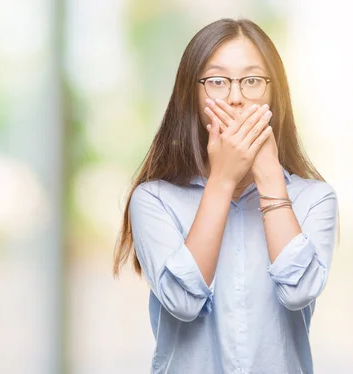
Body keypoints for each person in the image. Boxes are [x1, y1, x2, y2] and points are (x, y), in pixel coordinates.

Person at [112, 18, 340, 374]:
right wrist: (222, 180)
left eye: (251, 81)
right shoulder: (154, 200)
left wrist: (268, 176)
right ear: (192, 94)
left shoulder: (315, 199)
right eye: (217, 81)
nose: (235, 97)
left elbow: (298, 292)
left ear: (274, 95)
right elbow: (182, 301)